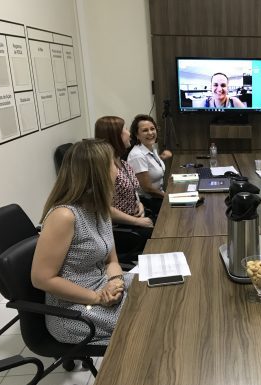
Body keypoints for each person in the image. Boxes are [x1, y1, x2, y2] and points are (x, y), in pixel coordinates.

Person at [31, 139, 132, 345]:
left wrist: (115, 281)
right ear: (98, 173)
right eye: (112, 164)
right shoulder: (64, 216)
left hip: (104, 287)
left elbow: (111, 260)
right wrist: (97, 297)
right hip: (74, 310)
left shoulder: (99, 207)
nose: (117, 168)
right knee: (147, 317)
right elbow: (41, 279)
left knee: (157, 290)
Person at [94, 116, 154, 238]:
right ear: (116, 136)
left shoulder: (120, 160)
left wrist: (139, 204)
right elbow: (105, 208)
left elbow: (131, 191)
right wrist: (137, 221)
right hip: (123, 229)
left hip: (134, 219)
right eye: (125, 130)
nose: (129, 134)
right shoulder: (108, 166)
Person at [127, 114, 171, 216]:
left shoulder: (149, 147)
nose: (150, 133)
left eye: (152, 129)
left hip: (158, 196)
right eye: (145, 130)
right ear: (137, 135)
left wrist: (161, 157)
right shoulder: (137, 156)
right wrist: (168, 196)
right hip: (148, 202)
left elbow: (150, 165)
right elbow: (147, 189)